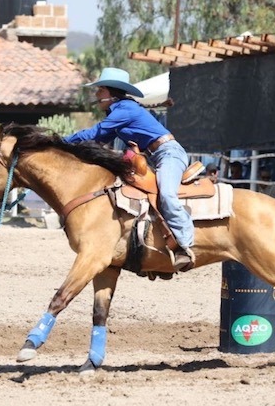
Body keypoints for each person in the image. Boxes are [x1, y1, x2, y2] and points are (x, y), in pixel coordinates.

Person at [63, 67, 195, 272]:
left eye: (100, 91)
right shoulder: (118, 112)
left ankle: (185, 246)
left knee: (167, 195)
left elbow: (94, 132)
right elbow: (98, 139)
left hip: (169, 153)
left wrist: (60, 143)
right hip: (155, 156)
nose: (97, 95)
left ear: (110, 92)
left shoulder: (125, 109)